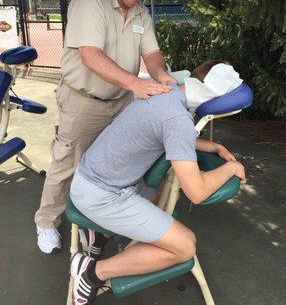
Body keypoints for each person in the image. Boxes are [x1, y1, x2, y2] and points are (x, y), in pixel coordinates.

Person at [34, 0, 176, 254]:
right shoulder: (90, 0)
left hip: (121, 100)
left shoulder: (140, 13)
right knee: (68, 162)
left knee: (115, 162)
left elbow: (151, 54)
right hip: (83, 100)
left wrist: (162, 75)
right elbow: (90, 56)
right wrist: (137, 83)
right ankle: (46, 221)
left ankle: (94, 222)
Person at [69, 61, 246, 305]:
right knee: (185, 246)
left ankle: (101, 236)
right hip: (101, 195)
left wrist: (213, 146)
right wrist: (232, 168)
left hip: (95, 176)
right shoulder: (177, 119)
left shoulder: (165, 92)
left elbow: (169, 133)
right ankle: (91, 272)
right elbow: (197, 193)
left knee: (157, 194)